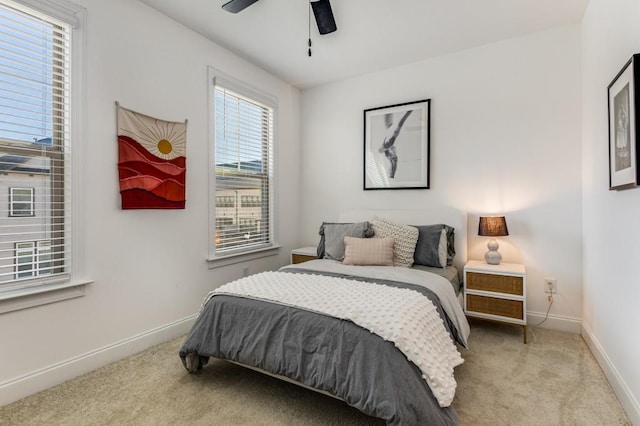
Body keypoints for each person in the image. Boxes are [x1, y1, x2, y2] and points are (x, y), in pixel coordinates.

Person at [378, 110, 412, 178]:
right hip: (389, 144)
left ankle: (391, 174)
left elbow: (400, 124)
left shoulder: (389, 144)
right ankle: (391, 174)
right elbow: (400, 124)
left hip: (388, 145)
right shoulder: (390, 142)